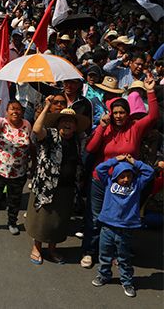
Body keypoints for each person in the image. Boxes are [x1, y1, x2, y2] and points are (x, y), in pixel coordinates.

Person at [81, 76, 158, 268]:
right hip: (101, 181)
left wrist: (150, 91)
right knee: (95, 216)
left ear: (128, 114)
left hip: (123, 183)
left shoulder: (135, 127)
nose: (118, 116)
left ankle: (113, 252)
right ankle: (90, 251)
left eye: (122, 112)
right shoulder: (105, 128)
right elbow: (90, 148)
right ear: (110, 113)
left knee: (118, 219)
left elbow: (153, 117)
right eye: (115, 112)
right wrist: (101, 126)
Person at [26, 97, 90, 265]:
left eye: (71, 122)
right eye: (64, 121)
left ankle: (52, 249)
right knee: (42, 220)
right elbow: (37, 129)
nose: (67, 124)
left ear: (75, 126)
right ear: (58, 124)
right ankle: (37, 248)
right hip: (46, 186)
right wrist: (47, 106)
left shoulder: (77, 140)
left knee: (58, 222)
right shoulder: (51, 135)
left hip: (67, 188)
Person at [91, 155, 154, 298]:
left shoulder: (137, 184)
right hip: (107, 226)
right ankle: (103, 275)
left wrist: (133, 162)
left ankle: (127, 281)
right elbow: (100, 168)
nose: (126, 179)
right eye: (122, 176)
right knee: (105, 254)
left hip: (125, 228)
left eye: (128, 176)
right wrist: (116, 160)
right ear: (115, 177)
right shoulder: (108, 182)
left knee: (123, 257)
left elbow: (149, 172)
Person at [0, 99, 32, 235]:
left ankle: (12, 222)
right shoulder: (1, 123)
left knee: (15, 200)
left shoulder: (27, 124)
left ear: (22, 112)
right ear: (7, 111)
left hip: (19, 172)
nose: (15, 111)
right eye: (12, 109)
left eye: (18, 109)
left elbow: (30, 144)